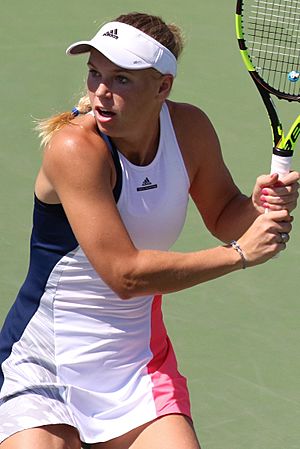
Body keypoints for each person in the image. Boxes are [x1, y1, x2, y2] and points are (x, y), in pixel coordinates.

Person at [0, 11, 299, 449]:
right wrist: (238, 254)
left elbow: (223, 214)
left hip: (137, 365)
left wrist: (258, 208)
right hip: (46, 364)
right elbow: (125, 275)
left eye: (122, 79)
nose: (101, 91)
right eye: (95, 74)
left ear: (163, 87)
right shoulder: (75, 148)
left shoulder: (189, 129)